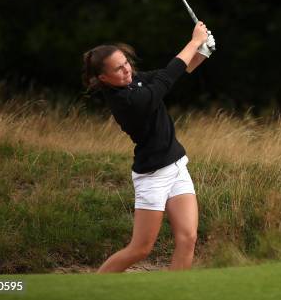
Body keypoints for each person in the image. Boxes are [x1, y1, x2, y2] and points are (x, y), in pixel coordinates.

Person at [81, 21, 215, 273]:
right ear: (103, 78)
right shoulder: (125, 101)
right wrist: (194, 42)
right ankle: (91, 288)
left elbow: (175, 72)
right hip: (152, 177)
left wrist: (203, 52)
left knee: (188, 239)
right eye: (118, 69)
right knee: (141, 248)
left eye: (126, 64)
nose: (126, 70)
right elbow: (164, 80)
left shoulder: (134, 82)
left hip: (176, 167)